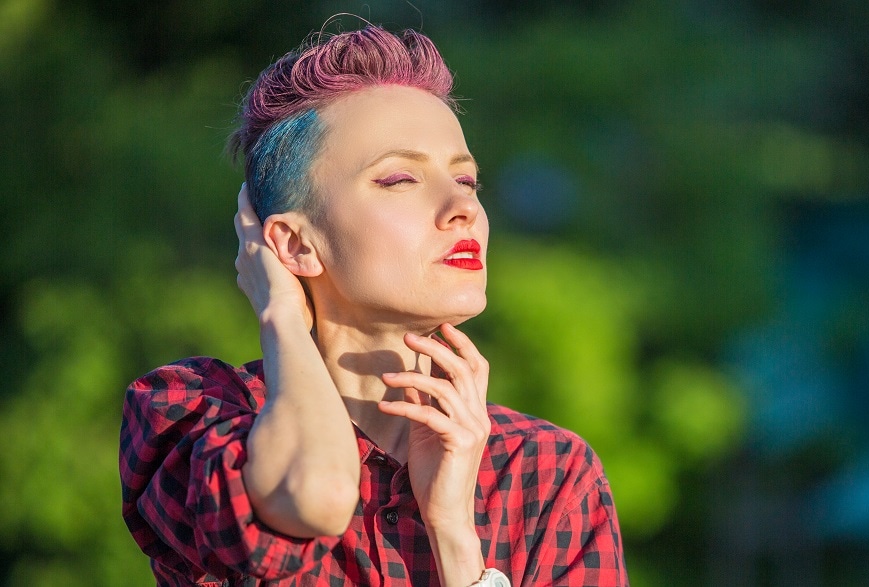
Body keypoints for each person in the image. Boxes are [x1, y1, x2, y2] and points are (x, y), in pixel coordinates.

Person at [119, 24, 628, 587]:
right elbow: (317, 494)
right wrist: (282, 315)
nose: (462, 205)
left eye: (467, 178)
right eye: (400, 179)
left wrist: (455, 533)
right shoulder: (193, 416)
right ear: (293, 244)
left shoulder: (548, 473)